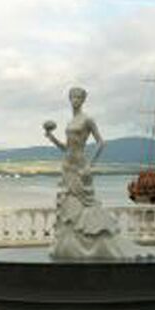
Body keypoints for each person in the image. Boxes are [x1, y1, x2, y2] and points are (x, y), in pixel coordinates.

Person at [43, 87, 140, 260]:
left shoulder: (87, 120)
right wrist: (52, 138)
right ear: (69, 99)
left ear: (83, 99)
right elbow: (66, 149)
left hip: (81, 166)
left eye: (79, 97)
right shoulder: (70, 122)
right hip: (68, 166)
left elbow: (102, 143)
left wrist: (90, 165)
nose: (75, 100)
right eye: (73, 96)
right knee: (70, 206)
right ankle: (70, 247)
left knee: (87, 205)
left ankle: (94, 246)